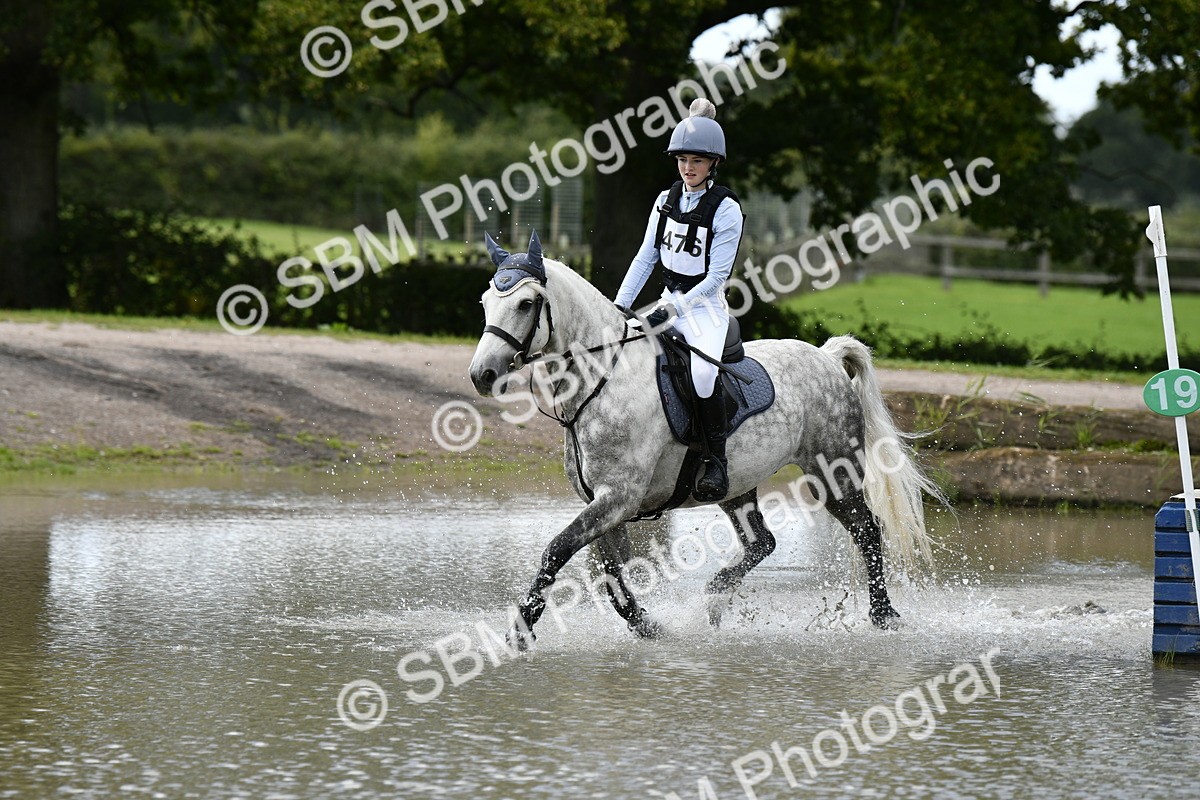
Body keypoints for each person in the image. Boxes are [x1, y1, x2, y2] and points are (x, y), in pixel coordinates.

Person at [613, 97, 745, 502]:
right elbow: (645, 257)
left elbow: (717, 277)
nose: (688, 167)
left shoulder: (726, 209)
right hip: (667, 299)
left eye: (697, 161)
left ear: (713, 163)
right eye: (683, 159)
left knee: (703, 375)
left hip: (705, 309)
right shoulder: (665, 200)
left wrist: (674, 309)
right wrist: (619, 307)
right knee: (626, 352)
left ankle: (716, 461)